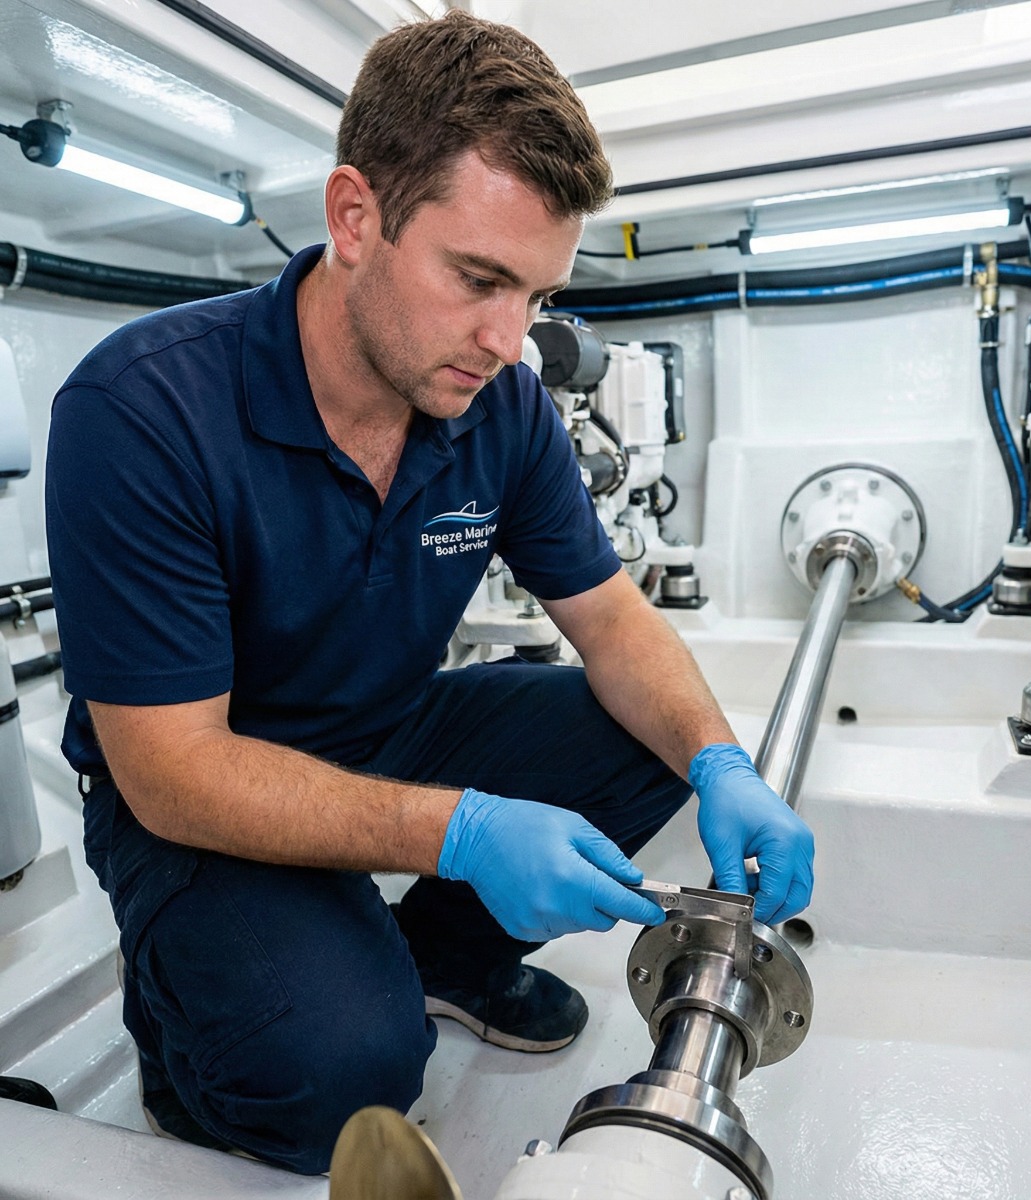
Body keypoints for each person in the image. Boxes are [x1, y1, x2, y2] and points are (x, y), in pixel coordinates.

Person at [45, 10, 814, 1175]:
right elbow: (173, 770)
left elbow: (609, 618)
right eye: (480, 279)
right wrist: (463, 829)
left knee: (649, 732)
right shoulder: (142, 410)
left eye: (541, 297)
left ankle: (445, 957)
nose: (511, 341)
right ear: (355, 217)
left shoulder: (496, 406)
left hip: (387, 726)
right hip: (196, 784)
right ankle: (186, 1052)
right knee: (345, 1075)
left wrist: (723, 762)